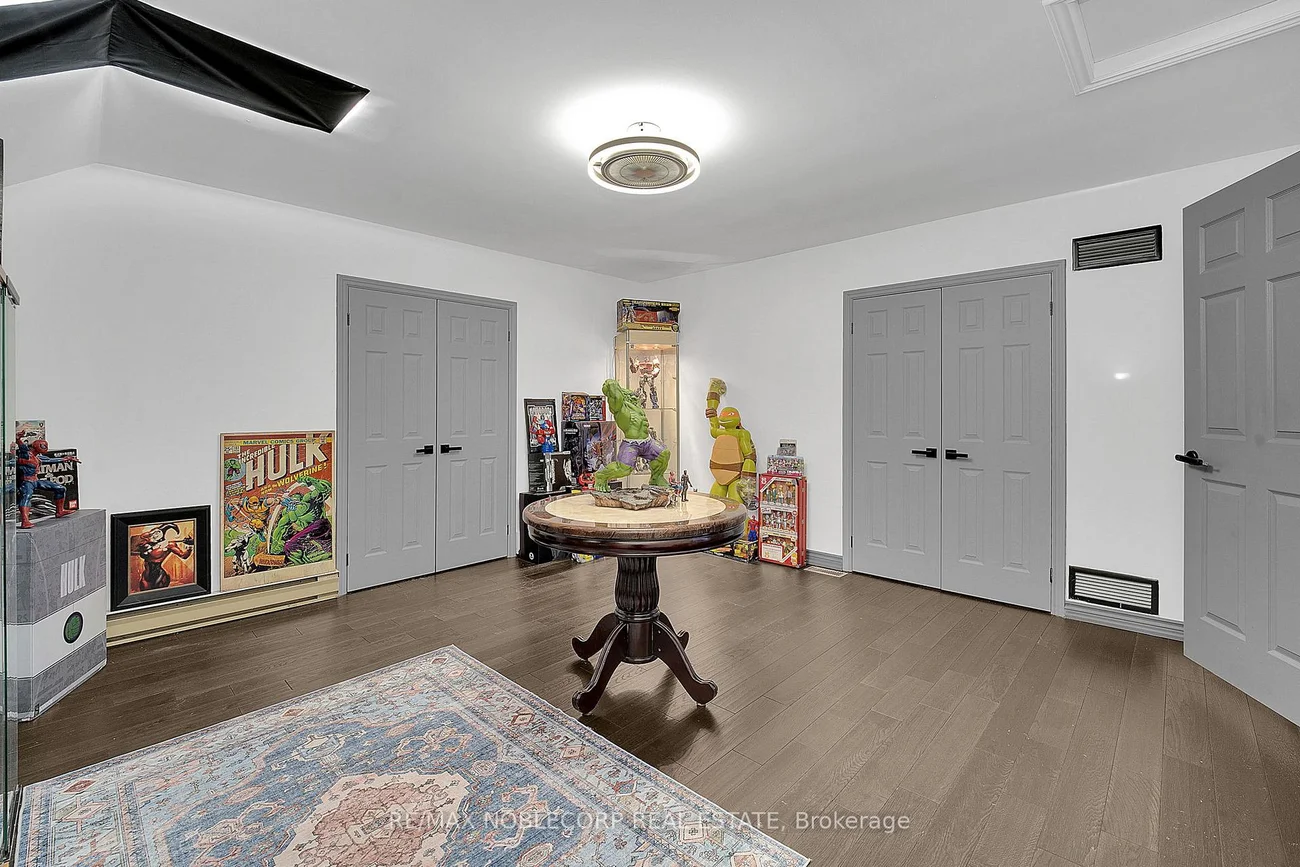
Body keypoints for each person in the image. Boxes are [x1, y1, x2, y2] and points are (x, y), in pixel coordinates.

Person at [14, 438, 78, 529]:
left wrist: (66, 458)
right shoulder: (26, 455)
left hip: (35, 481)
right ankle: (25, 521)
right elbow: (22, 448)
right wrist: (18, 439)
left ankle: (60, 511)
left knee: (60, 488)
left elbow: (49, 460)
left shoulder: (37, 457)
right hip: (26, 482)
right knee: (26, 496)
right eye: (43, 447)